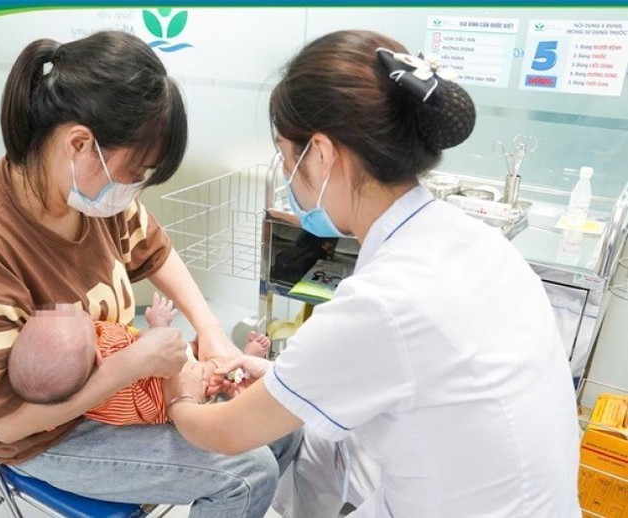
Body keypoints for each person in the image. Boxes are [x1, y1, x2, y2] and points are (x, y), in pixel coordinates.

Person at [163, 30, 581, 517]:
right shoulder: (472, 241)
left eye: (285, 155)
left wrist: (180, 396)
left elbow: (227, 433)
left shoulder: (386, 300)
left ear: (321, 154)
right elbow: (410, 372)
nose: (286, 174)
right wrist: (277, 378)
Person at [0, 30, 301, 516]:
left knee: (279, 424)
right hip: (49, 433)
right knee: (248, 474)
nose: (135, 189)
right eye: (135, 172)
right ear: (80, 143)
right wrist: (129, 368)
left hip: (127, 389)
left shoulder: (87, 196)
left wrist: (209, 332)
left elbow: (156, 252)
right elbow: (6, 424)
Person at [7, 294, 272, 425]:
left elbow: (139, 344)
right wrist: (158, 327)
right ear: (98, 356)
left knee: (200, 346)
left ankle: (238, 365)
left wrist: (154, 334)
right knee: (213, 376)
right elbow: (156, 372)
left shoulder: (82, 352)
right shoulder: (114, 394)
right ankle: (243, 366)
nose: (79, 311)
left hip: (167, 355)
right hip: (175, 385)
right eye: (80, 319)